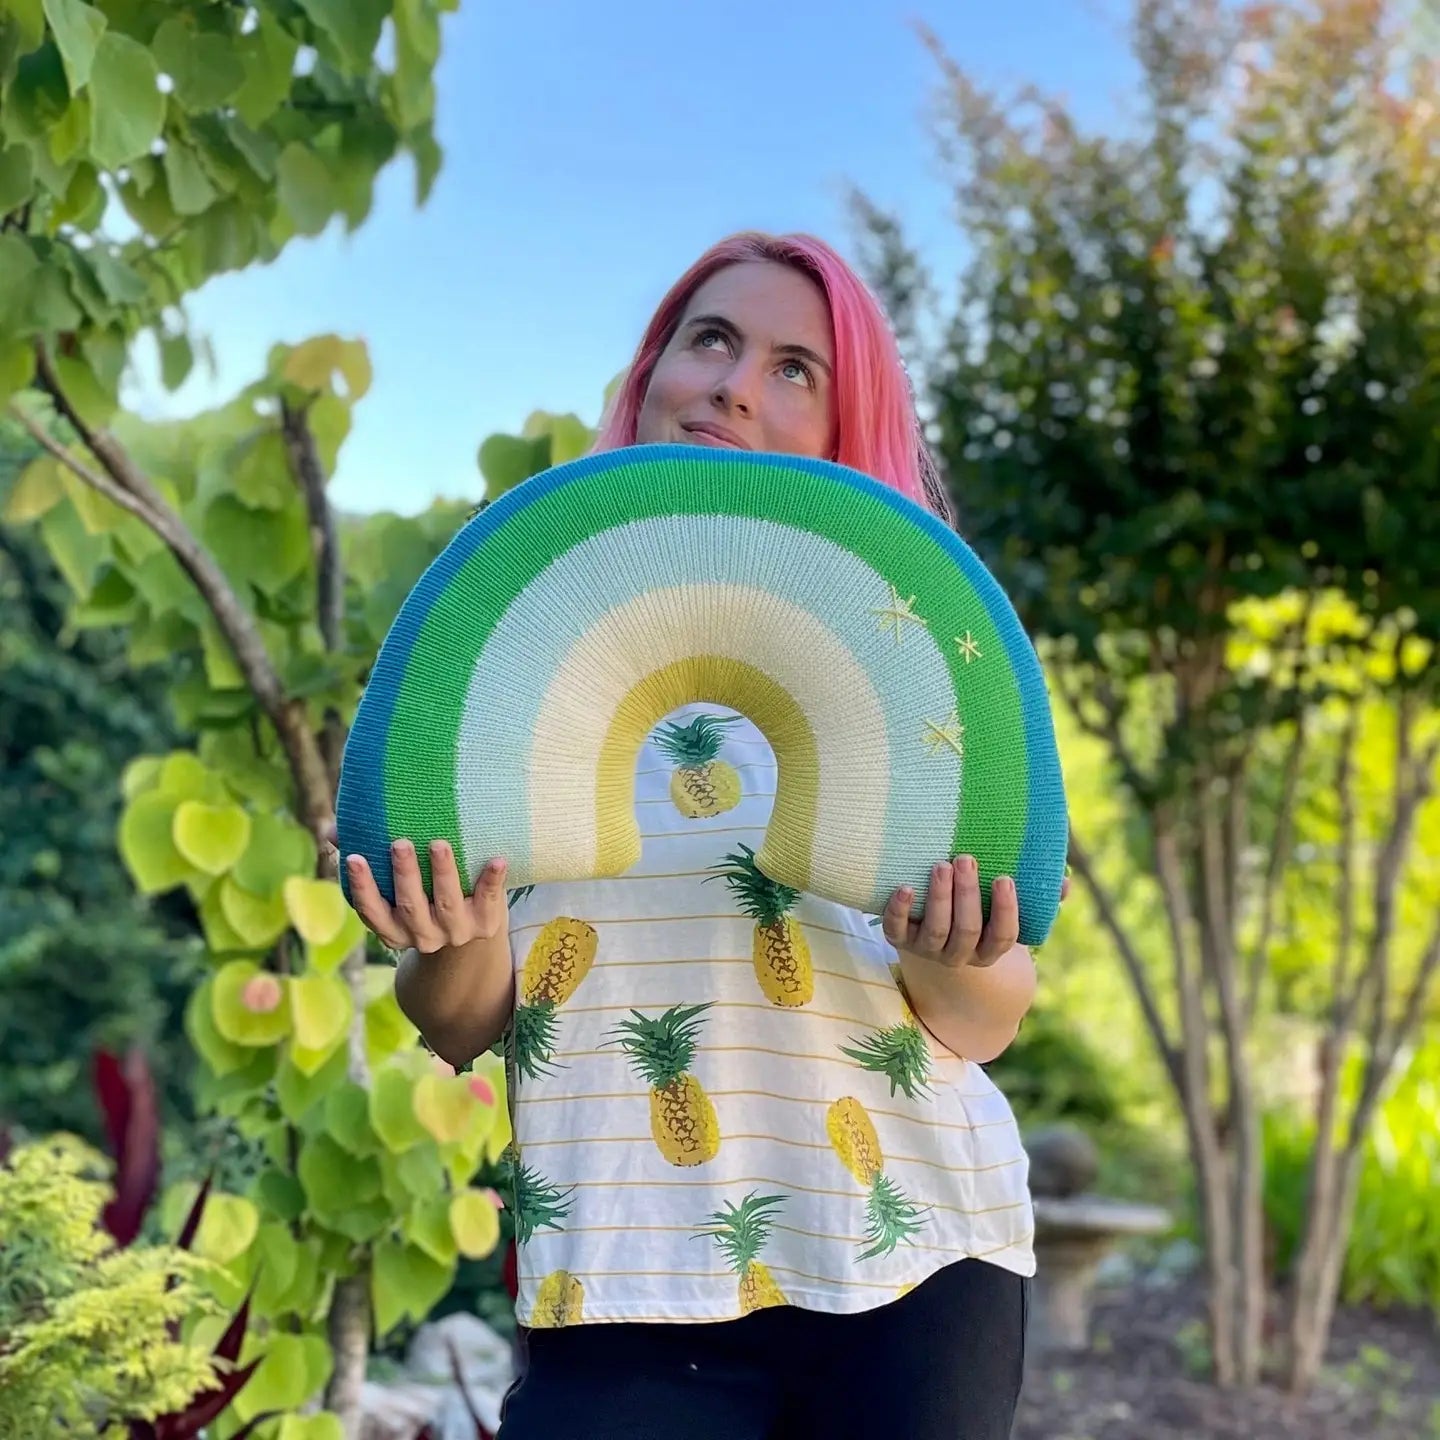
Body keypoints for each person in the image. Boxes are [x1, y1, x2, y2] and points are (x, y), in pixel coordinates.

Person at [344, 232, 1053, 1440]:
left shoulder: (897, 664)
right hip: (620, 1265)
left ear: (845, 427)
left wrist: (956, 944)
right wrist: (450, 933)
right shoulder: (530, 652)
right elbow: (457, 1019)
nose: (734, 384)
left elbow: (983, 1020)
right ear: (654, 367)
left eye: (796, 369)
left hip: (917, 1258)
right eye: (712, 340)